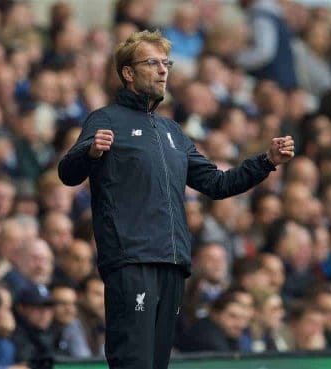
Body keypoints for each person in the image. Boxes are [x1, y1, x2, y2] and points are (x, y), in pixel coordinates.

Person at [57, 29, 294, 369]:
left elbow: (217, 183)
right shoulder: (106, 119)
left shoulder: (173, 132)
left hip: (173, 262)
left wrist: (266, 161)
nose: (163, 70)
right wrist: (90, 151)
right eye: (152, 63)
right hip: (131, 260)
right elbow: (68, 173)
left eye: (165, 63)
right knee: (133, 362)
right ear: (128, 72)